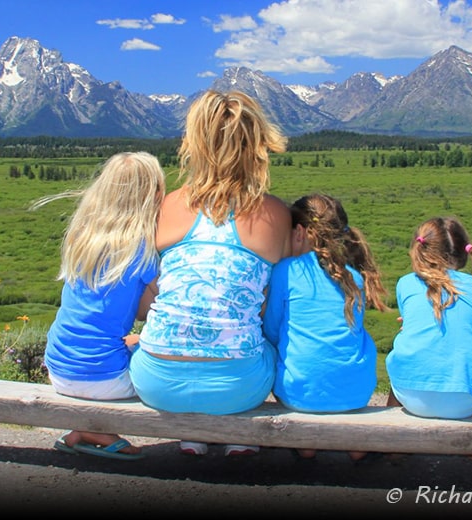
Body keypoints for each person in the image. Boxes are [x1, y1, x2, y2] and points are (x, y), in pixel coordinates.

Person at [129, 90, 292, 457]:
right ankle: (237, 432)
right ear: (257, 146)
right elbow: (272, 303)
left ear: (194, 143)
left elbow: (153, 293)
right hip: (239, 384)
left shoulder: (167, 206)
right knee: (262, 338)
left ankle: (193, 436)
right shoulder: (275, 215)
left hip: (156, 381)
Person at [29, 151, 165, 461]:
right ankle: (97, 431)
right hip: (105, 380)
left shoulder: (81, 237)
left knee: (127, 341)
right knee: (171, 359)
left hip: (59, 367)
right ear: (154, 195)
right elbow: (165, 306)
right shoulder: (143, 248)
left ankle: (82, 429)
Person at [262, 193, 389, 460]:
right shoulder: (353, 276)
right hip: (356, 393)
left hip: (299, 394)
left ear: (300, 232)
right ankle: (353, 444)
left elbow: (272, 330)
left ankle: (306, 445)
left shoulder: (286, 271)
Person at [385, 216, 472, 469]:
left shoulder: (406, 283)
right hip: (467, 403)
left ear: (420, 247)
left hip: (413, 398)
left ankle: (393, 444)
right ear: (464, 253)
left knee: (405, 357)